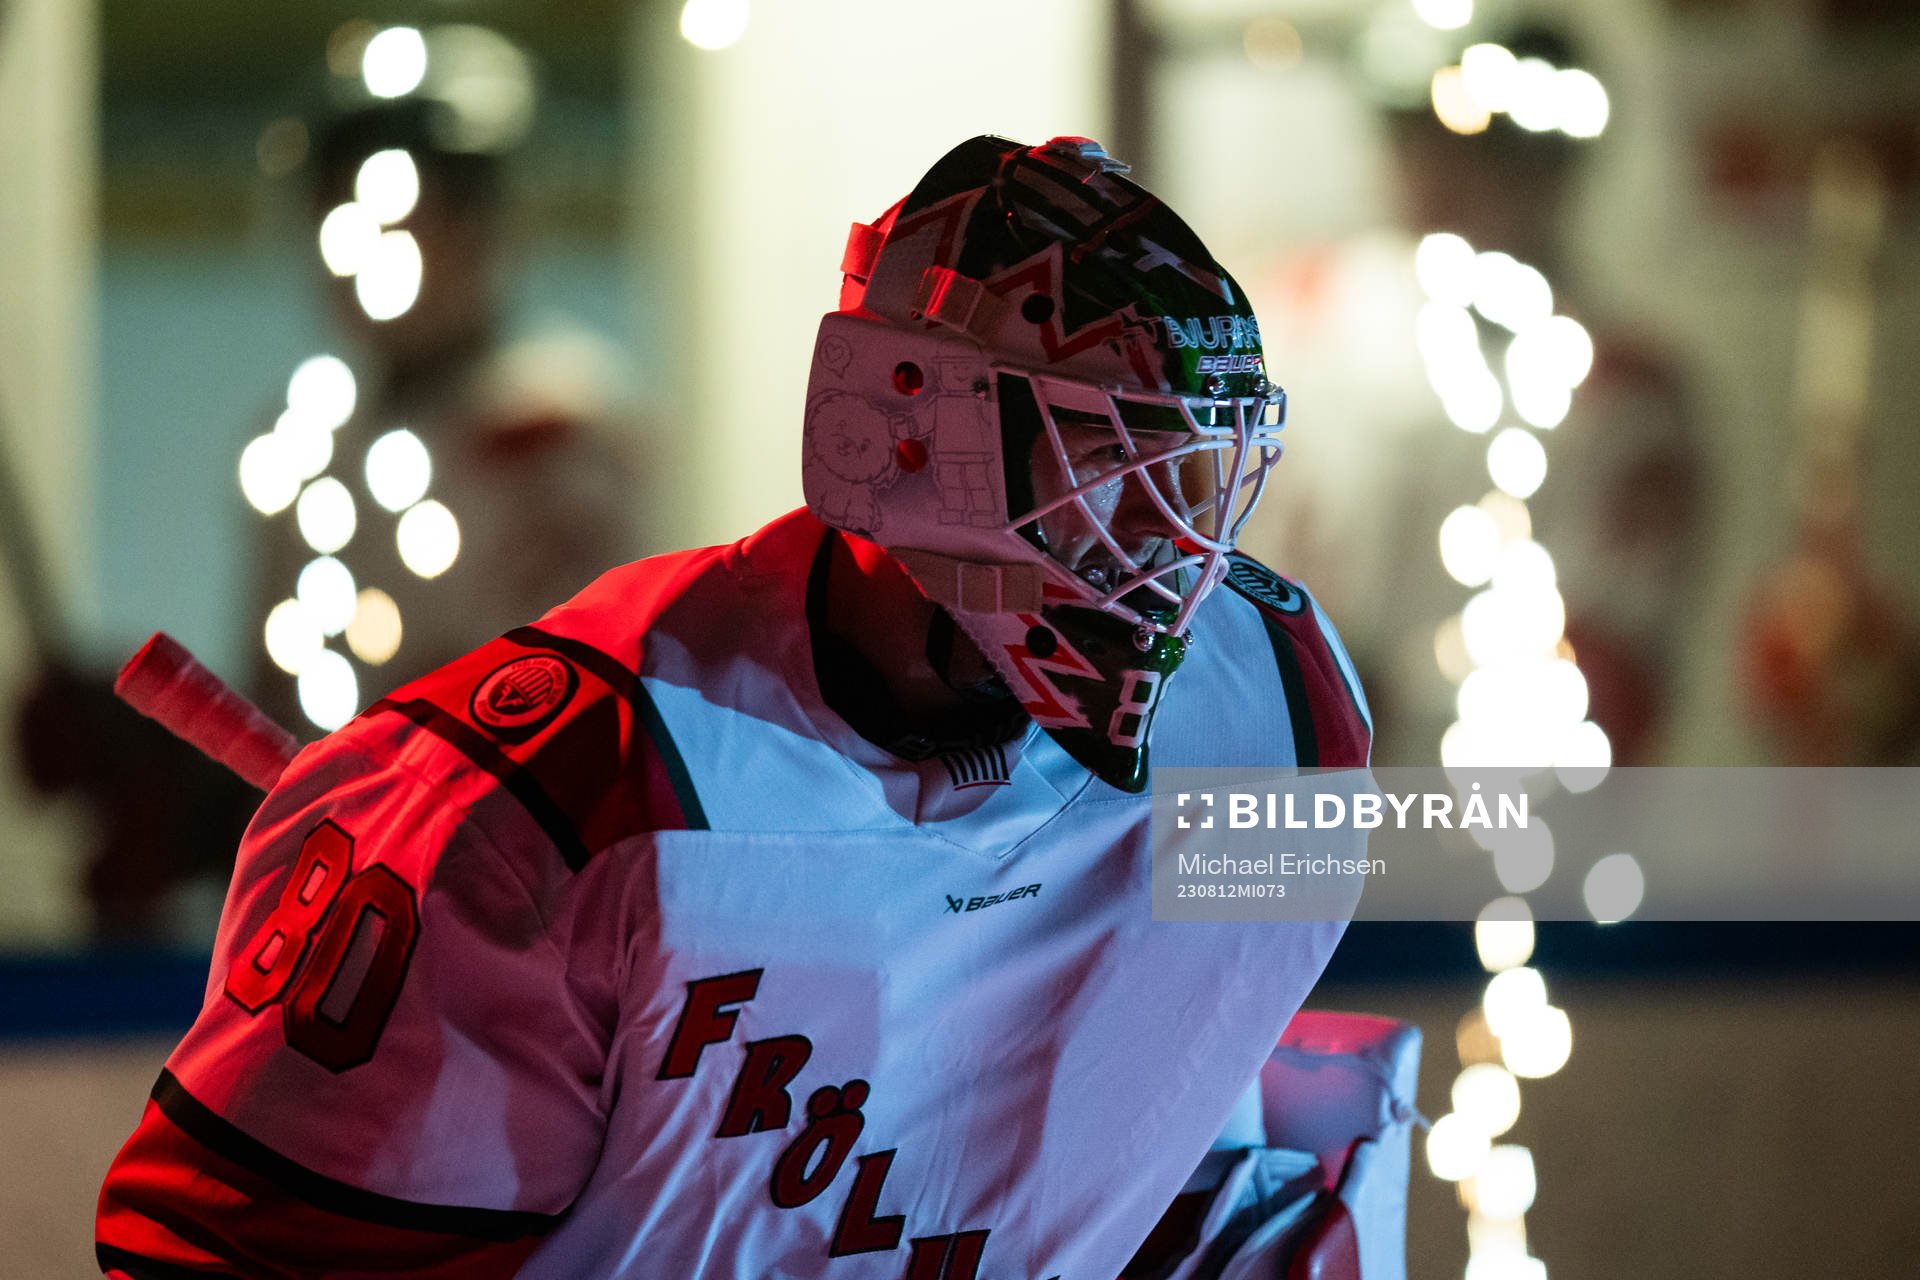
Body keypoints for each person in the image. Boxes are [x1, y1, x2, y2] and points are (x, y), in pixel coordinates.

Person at [96, 135, 1373, 1279]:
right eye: (1108, 466)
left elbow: (1188, 1116)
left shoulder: (1278, 713)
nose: (1174, 556)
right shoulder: (546, 807)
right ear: (906, 429)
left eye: (1196, 479)